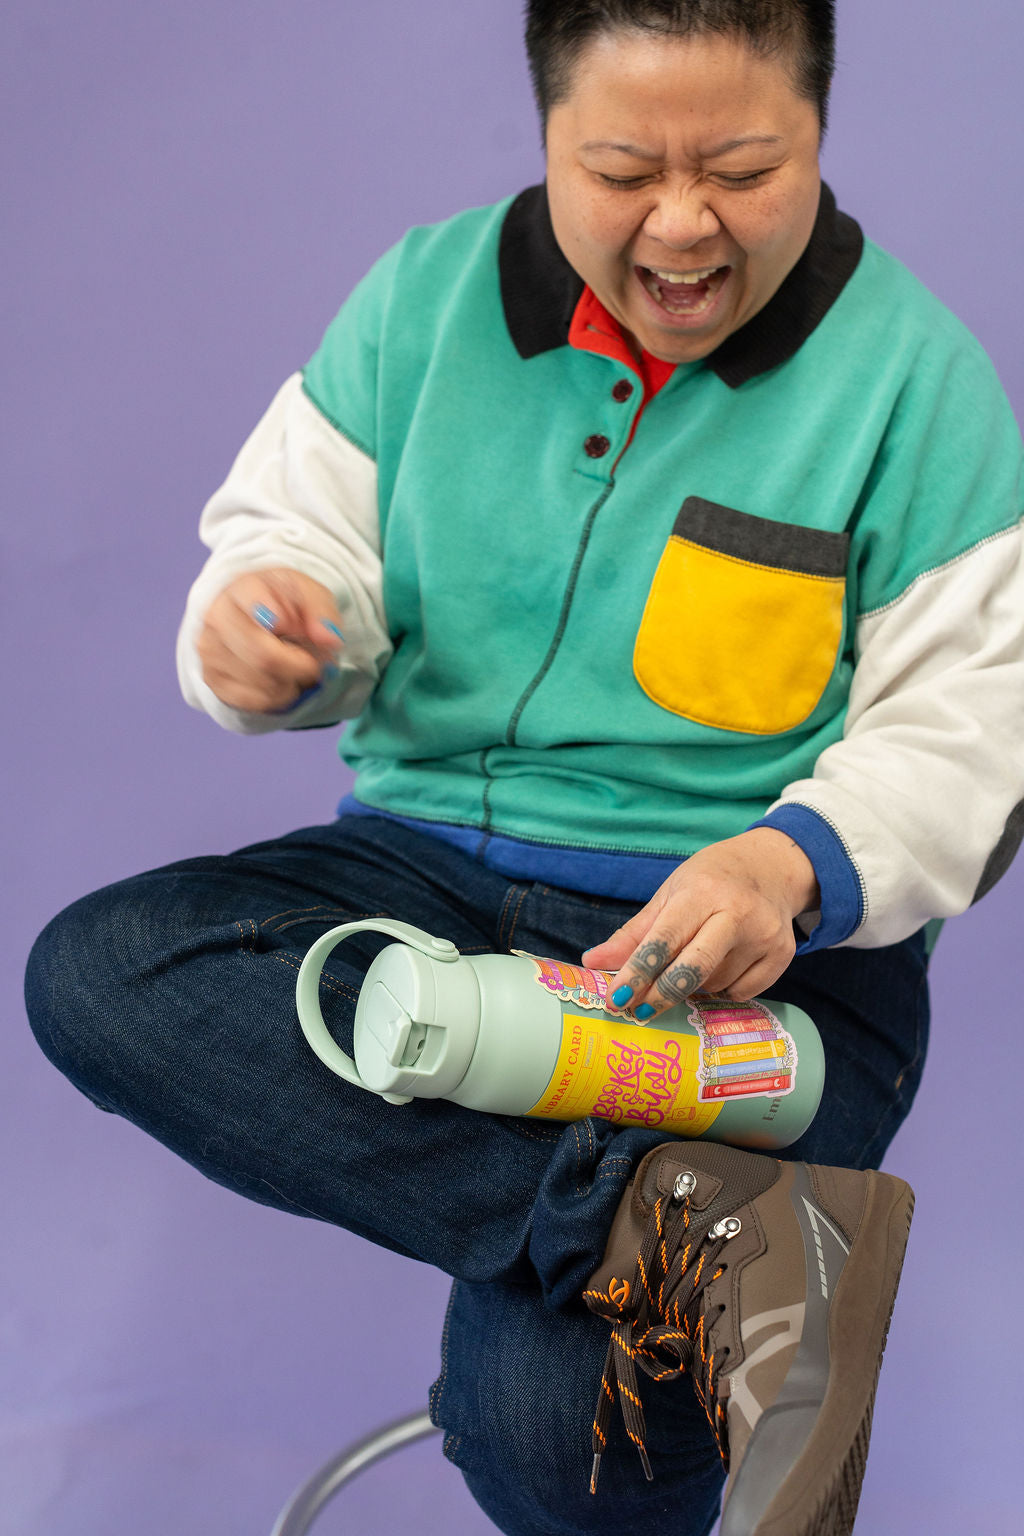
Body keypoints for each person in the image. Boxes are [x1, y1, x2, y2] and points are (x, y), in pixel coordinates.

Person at [24, 3, 1024, 1534]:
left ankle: (642, 1255)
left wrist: (793, 862)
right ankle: (688, 1245)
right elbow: (294, 541)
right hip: (428, 876)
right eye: (624, 169)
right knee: (104, 971)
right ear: (549, 132)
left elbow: (978, 724)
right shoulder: (421, 301)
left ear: (818, 131)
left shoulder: (917, 383)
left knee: (554, 1430)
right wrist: (267, 624)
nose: (684, 223)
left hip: (743, 949)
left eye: (745, 169)